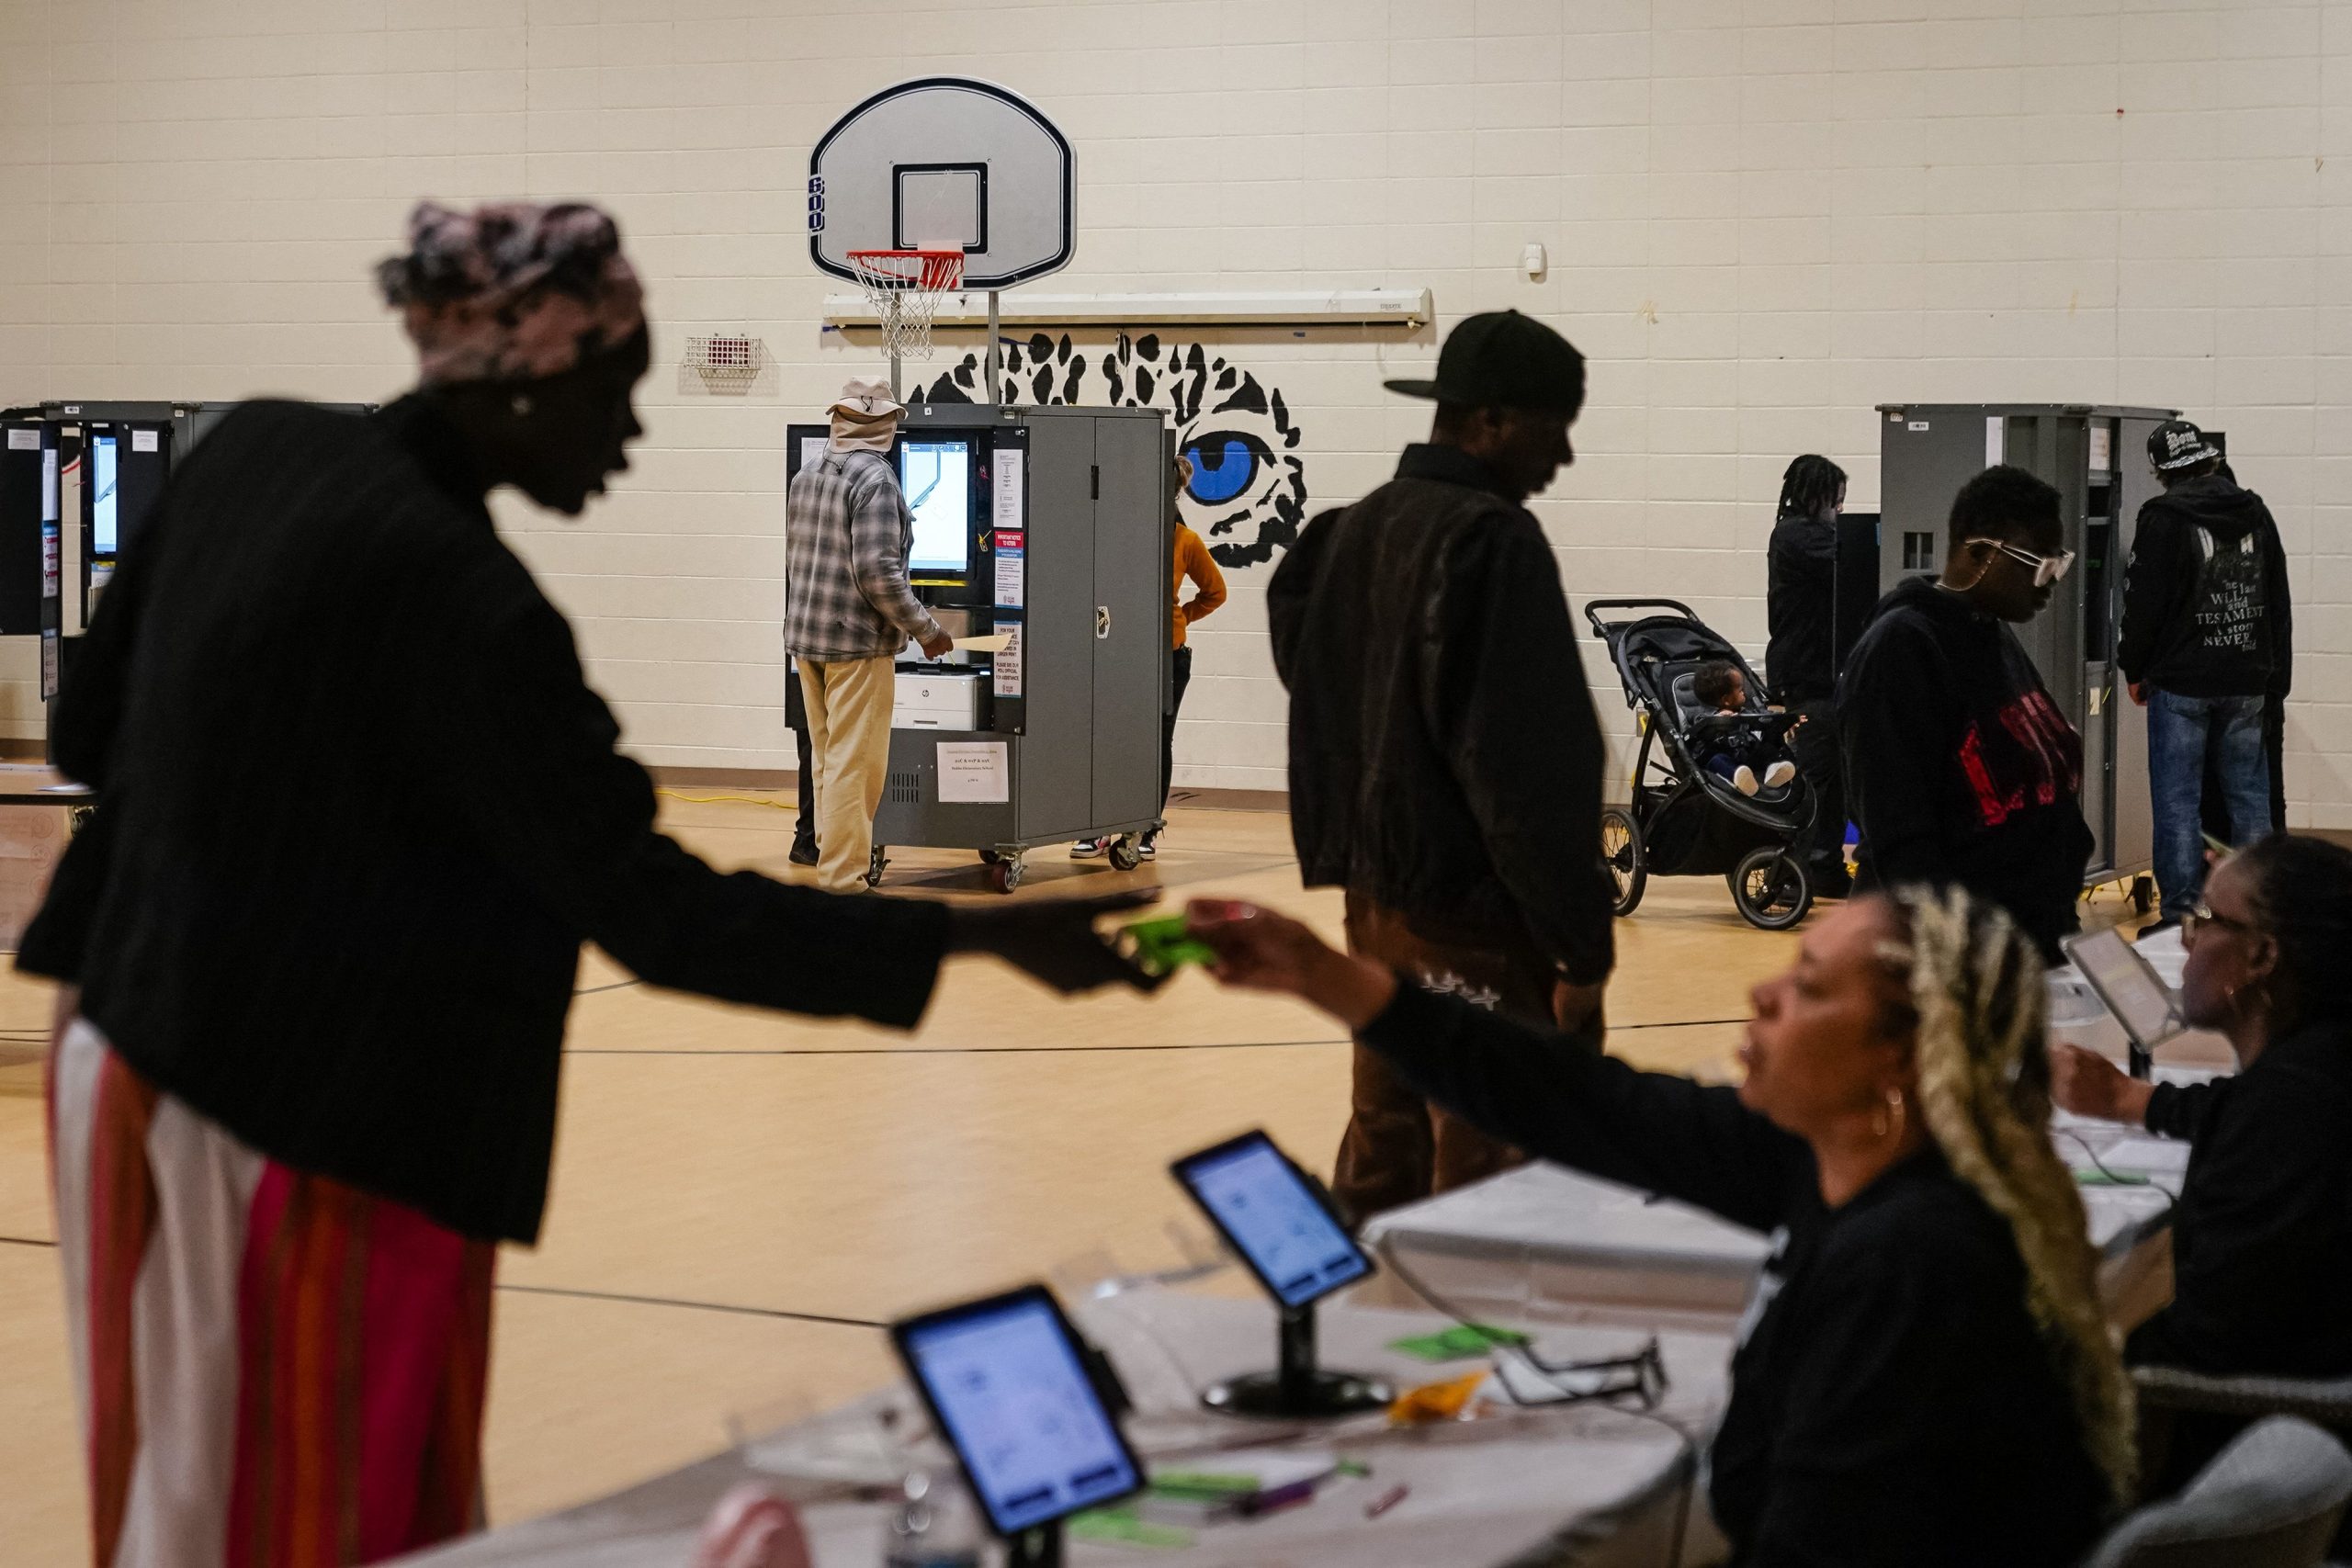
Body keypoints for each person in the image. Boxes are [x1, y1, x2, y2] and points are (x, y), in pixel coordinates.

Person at [21, 200, 1158, 1568]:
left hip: (118, 1048)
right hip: (303, 1107)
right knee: (311, 1518)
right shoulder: (469, 605)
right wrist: (983, 946)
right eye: (615, 395)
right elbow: (659, 913)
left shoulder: (254, 445)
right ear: (525, 375)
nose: (626, 438)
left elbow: (87, 731)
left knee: (172, 1483)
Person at [1188, 884, 2132, 1567]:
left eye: (1809, 986)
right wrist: (1320, 975)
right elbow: (1579, 1101)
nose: (1765, 995)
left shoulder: (1911, 1266)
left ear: (1899, 1060)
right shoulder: (1832, 1166)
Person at [1268, 310, 1615, 1224]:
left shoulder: (1346, 533)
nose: (1563, 458)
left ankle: (1356, 1341)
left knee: (1385, 1137)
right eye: (1555, 428)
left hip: (1377, 906)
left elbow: (1314, 687)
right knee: (1492, 1163)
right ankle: (1479, 1361)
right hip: (1477, 918)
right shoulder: (1491, 541)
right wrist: (1580, 947)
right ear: (1490, 421)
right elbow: (1525, 771)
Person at [2052, 834, 2352, 1382]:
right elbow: (2237, 1109)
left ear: (2262, 955)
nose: (2187, 941)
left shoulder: (2286, 1119)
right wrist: (2134, 1100)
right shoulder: (2315, 1068)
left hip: (2250, 1425)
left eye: (2208, 919)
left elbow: (2211, 1351)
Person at [1838, 464, 2094, 962]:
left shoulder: (1991, 631)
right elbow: (1902, 842)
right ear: (1978, 554)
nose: (2051, 583)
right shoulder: (1903, 649)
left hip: (2029, 943)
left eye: (2058, 565)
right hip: (1951, 961)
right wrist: (1968, 962)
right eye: (2038, 566)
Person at [2118, 419, 2293, 931]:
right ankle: (2260, 913)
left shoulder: (2163, 518)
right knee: (2250, 801)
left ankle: (2180, 917)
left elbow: (2143, 603)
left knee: (2177, 804)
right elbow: (2277, 599)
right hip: (2247, 678)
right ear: (2209, 458)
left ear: (2160, 472)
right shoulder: (2255, 511)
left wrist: (2134, 666)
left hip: (2182, 683)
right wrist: (2274, 675)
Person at [785, 379, 953, 892]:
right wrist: (926, 629)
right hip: (856, 643)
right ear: (885, 427)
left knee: (827, 761)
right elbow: (879, 573)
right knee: (855, 770)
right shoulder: (876, 480)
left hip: (805, 638)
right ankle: (844, 883)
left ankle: (827, 866)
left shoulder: (807, 474)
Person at [1074, 454, 1226, 862]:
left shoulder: (1184, 540)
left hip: (1166, 658)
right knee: (1106, 738)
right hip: (1116, 652)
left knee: (1158, 743)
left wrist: (1176, 621)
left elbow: (1216, 593)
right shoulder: (1115, 535)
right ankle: (1099, 826)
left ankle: (1145, 828)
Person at [1765, 454, 1851, 892]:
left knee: (1833, 779)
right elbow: (1848, 554)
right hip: (1805, 676)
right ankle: (1794, 873)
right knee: (1819, 777)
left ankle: (1824, 868)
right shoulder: (1798, 536)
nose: (1839, 509)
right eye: (1835, 500)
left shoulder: (1808, 535)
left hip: (1819, 674)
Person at [1691, 660, 1798, 796]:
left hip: (1749, 755)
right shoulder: (1704, 718)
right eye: (1740, 690)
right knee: (1717, 760)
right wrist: (1719, 719)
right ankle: (1738, 777)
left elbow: (1765, 717)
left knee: (1768, 750)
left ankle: (1774, 770)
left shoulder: (1746, 711)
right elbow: (1698, 735)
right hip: (1727, 756)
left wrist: (1785, 722)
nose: (1744, 693)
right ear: (1726, 700)